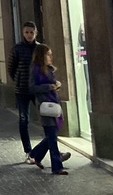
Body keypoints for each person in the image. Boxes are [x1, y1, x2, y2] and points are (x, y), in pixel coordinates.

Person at [27, 43, 71, 175]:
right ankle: (57, 167)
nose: (51, 57)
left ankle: (35, 154)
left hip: (54, 103)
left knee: (51, 135)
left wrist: (56, 85)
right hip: (45, 106)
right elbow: (32, 88)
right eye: (48, 54)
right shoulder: (35, 69)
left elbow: (52, 84)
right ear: (42, 56)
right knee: (52, 137)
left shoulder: (49, 69)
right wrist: (49, 87)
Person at [7, 22, 40, 161]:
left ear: (35, 33)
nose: (29, 35)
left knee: (47, 118)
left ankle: (50, 147)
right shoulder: (17, 49)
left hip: (37, 88)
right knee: (23, 119)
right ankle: (28, 151)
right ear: (23, 33)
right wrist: (19, 79)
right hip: (22, 89)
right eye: (26, 32)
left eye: (31, 32)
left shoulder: (39, 48)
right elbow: (11, 68)